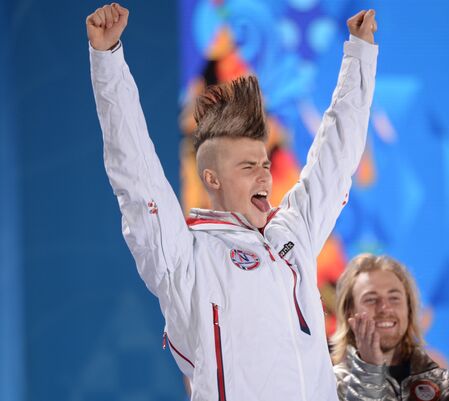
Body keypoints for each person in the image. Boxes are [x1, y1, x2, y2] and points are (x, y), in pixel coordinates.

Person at [87, 3, 378, 400]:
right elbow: (135, 172)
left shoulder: (292, 234)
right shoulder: (185, 256)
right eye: (247, 167)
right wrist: (107, 60)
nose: (264, 175)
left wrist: (359, 55)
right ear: (212, 178)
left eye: (264, 162)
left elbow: (337, 156)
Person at [331, 254, 449, 401]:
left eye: (394, 298)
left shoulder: (438, 380)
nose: (384, 308)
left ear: (409, 310)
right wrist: (368, 372)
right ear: (348, 313)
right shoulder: (327, 383)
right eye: (370, 299)